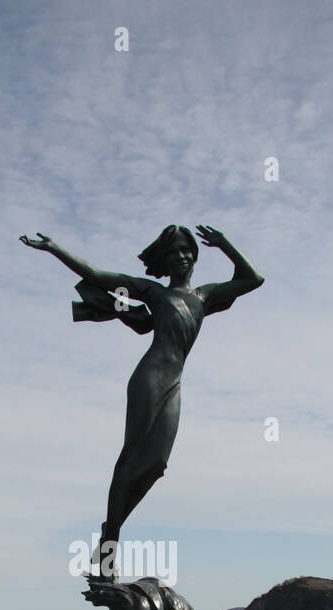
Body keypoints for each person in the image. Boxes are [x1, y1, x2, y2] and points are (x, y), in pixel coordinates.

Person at [20, 223, 263, 579]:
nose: (181, 256)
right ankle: (110, 547)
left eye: (186, 251)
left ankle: (108, 531)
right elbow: (97, 275)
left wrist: (224, 243)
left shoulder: (205, 296)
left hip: (174, 383)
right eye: (174, 252)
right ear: (165, 261)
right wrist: (55, 248)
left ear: (194, 257)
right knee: (131, 456)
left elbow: (252, 278)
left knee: (156, 465)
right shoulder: (154, 293)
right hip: (149, 377)